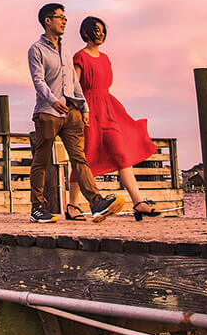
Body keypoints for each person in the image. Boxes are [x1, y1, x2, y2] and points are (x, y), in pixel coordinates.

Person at [27, 3, 124, 223]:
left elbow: (74, 82)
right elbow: (38, 81)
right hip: (48, 113)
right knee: (41, 160)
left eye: (65, 18)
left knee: (79, 158)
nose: (64, 21)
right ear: (47, 21)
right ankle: (37, 207)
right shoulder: (36, 50)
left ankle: (96, 203)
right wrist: (53, 100)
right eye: (60, 17)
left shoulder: (66, 51)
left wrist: (84, 107)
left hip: (71, 113)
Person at [70, 16, 164, 220]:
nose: (101, 33)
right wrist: (80, 110)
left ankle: (138, 202)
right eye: (96, 30)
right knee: (85, 156)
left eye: (103, 30)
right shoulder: (80, 57)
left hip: (108, 108)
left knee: (121, 153)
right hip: (88, 109)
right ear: (85, 33)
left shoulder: (105, 58)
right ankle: (72, 206)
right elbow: (74, 87)